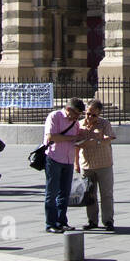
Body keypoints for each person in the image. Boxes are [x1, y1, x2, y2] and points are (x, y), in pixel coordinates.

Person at [42, 98, 88, 234]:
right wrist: (71, 138)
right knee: (52, 192)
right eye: (76, 114)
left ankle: (61, 221)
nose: (77, 117)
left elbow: (75, 138)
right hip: (54, 158)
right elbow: (52, 137)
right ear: (69, 110)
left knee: (65, 192)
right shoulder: (55, 116)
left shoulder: (75, 123)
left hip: (68, 160)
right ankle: (50, 223)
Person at [78, 99, 117, 231]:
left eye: (94, 115)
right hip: (86, 165)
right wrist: (75, 164)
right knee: (90, 194)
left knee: (106, 194)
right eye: (88, 113)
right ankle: (92, 221)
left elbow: (109, 138)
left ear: (99, 114)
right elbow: (76, 145)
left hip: (104, 164)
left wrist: (98, 139)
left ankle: (108, 221)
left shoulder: (104, 123)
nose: (90, 117)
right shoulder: (80, 125)